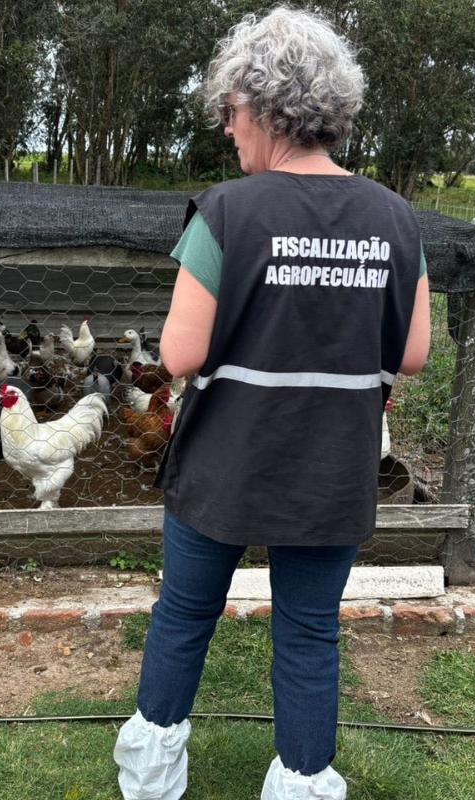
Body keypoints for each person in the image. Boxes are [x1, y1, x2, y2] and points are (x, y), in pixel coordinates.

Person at [113, 6, 432, 800]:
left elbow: (180, 355)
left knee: (185, 614)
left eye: (230, 113)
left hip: (226, 463)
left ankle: (151, 778)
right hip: (332, 466)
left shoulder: (227, 211)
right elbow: (415, 352)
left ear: (263, 107)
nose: (229, 131)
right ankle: (302, 784)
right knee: (308, 633)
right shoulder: (396, 219)